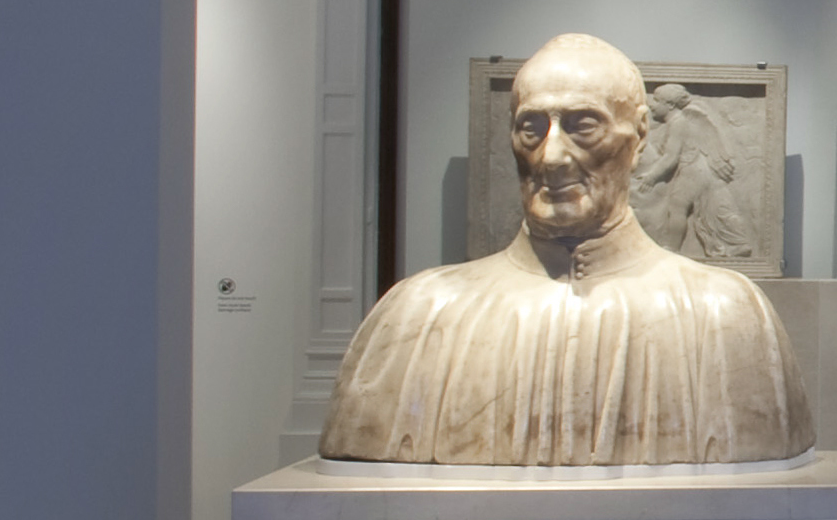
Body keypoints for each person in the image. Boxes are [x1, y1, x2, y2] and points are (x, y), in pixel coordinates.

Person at [322, 34, 809, 464]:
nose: (551, 157)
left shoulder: (727, 316)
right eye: (531, 129)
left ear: (639, 137)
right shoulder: (418, 315)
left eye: (583, 126)